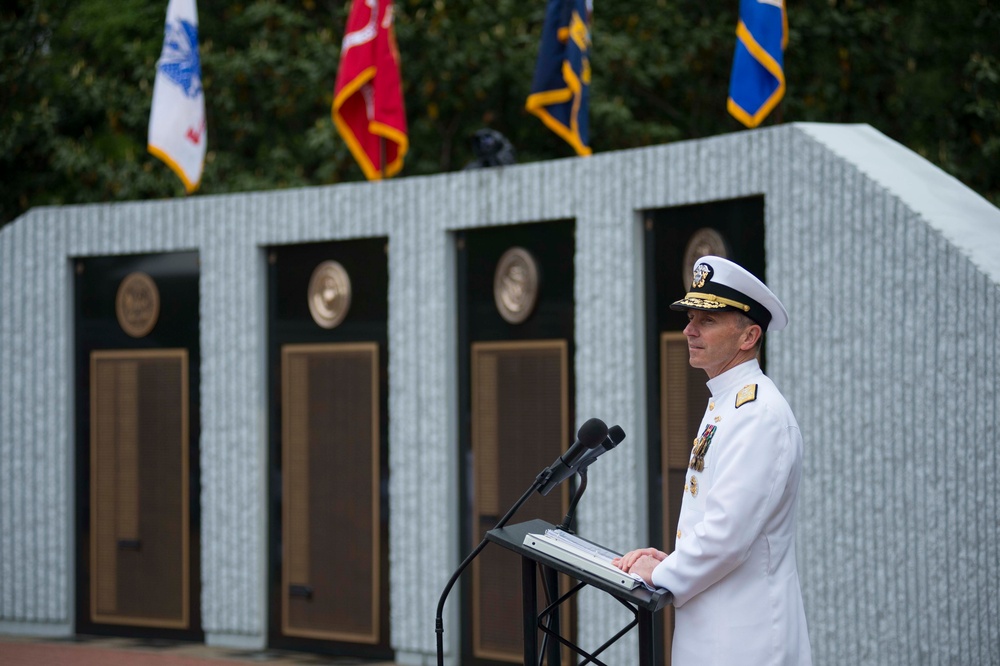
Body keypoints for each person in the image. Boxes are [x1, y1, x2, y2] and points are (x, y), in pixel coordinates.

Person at [614, 255, 811, 666]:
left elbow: (726, 535)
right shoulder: (729, 403)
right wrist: (673, 561)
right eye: (689, 317)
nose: (689, 330)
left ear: (748, 335)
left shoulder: (759, 414)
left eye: (707, 320)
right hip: (717, 633)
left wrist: (658, 573)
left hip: (746, 640)